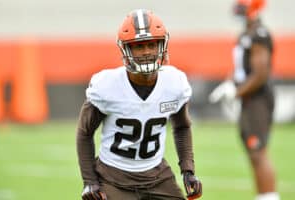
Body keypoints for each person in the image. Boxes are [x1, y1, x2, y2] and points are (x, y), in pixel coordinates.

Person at [76, 9, 202, 200]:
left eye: (152, 44)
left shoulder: (174, 83)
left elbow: (182, 126)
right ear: (126, 49)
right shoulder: (107, 86)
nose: (146, 52)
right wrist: (90, 182)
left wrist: (188, 170)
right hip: (113, 178)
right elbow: (85, 133)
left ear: (162, 45)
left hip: (157, 176)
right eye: (139, 46)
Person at [209, 0, 279, 200]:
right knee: (252, 151)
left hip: (257, 99)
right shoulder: (246, 34)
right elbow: (242, 68)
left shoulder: (259, 34)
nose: (239, 10)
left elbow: (260, 73)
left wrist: (236, 93)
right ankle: (263, 196)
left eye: (243, 6)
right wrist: (230, 83)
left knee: (258, 151)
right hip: (248, 98)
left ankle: (269, 197)